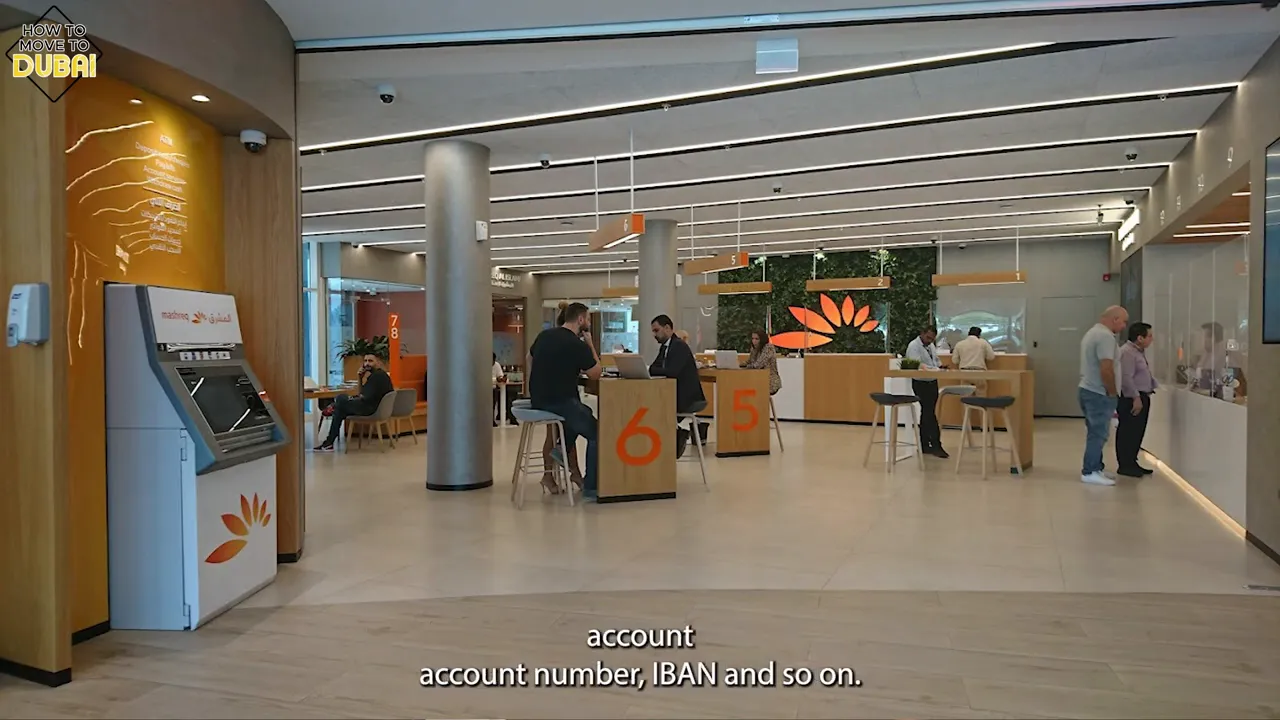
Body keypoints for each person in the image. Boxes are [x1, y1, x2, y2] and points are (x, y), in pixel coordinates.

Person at [529, 302, 602, 499]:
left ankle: (562, 452)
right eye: (587, 318)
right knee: (596, 433)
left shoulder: (544, 335)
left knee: (581, 413)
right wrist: (590, 345)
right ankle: (592, 487)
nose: (587, 322)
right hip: (561, 401)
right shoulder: (577, 345)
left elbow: (531, 356)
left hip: (539, 399)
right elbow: (596, 373)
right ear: (580, 319)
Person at [1078, 305, 1129, 486]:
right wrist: (1112, 393)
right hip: (1099, 392)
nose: (1124, 326)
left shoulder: (1092, 333)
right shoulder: (1105, 337)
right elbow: (1106, 369)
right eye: (1123, 322)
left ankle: (1097, 467)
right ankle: (1090, 470)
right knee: (1098, 433)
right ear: (1114, 319)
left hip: (1087, 389)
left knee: (1095, 431)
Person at [649, 314, 708, 458]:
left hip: (686, 397)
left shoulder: (679, 346)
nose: (654, 335)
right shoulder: (665, 347)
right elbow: (653, 368)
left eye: (656, 330)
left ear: (667, 328)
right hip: (675, 393)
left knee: (654, 409)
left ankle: (672, 440)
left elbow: (672, 371)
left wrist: (658, 370)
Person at [313, 354, 394, 452]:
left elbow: (363, 397)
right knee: (339, 410)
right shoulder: (377, 375)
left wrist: (352, 399)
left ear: (378, 363)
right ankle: (329, 442)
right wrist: (360, 378)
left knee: (341, 399)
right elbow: (362, 394)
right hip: (371, 406)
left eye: (370, 361)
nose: (367, 363)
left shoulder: (377, 376)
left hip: (370, 409)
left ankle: (332, 407)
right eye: (365, 361)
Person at [1117, 322, 1157, 478]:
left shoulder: (1138, 352)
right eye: (1149, 336)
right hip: (1132, 398)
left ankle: (1132, 462)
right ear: (1140, 338)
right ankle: (1125, 464)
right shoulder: (1127, 353)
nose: (1151, 339)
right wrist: (1136, 397)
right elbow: (1126, 377)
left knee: (1137, 432)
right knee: (1128, 431)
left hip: (1142, 395)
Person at [905, 326, 947, 458]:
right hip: (920, 382)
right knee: (929, 412)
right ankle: (935, 444)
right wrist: (934, 369)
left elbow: (935, 360)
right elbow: (917, 365)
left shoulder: (931, 346)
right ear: (921, 333)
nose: (930, 341)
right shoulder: (913, 346)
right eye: (928, 337)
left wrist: (940, 366)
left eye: (932, 339)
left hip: (932, 380)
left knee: (927, 412)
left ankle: (924, 444)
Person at [743, 329, 782, 395]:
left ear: (762, 339)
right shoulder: (754, 348)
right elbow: (750, 361)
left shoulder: (768, 347)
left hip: (770, 381)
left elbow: (758, 364)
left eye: (756, 339)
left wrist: (746, 367)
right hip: (758, 379)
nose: (754, 341)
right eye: (752, 339)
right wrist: (739, 364)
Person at [492, 353, 515, 427]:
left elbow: (500, 375)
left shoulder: (496, 365)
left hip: (494, 388)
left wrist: (502, 378)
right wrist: (497, 379)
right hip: (483, 389)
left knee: (493, 404)